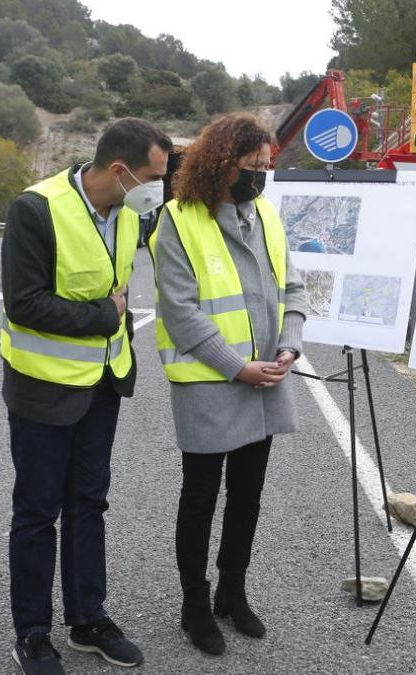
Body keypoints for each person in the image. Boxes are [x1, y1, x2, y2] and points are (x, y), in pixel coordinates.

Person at [1, 118, 171, 674]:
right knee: (36, 511)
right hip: (44, 390)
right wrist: (105, 316)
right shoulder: (36, 208)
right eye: (153, 176)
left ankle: (87, 620)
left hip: (102, 384)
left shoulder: (129, 214)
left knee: (89, 505)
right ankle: (31, 633)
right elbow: (24, 304)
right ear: (119, 171)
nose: (158, 188)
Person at [149, 113, 308, 656]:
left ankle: (232, 593)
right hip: (212, 381)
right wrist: (237, 366)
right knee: (200, 497)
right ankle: (196, 604)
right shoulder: (177, 219)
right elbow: (180, 310)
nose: (261, 176)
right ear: (221, 163)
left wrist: (289, 343)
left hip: (265, 376)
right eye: (252, 166)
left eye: (267, 166)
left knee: (248, 496)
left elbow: (295, 287)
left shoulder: (265, 213)